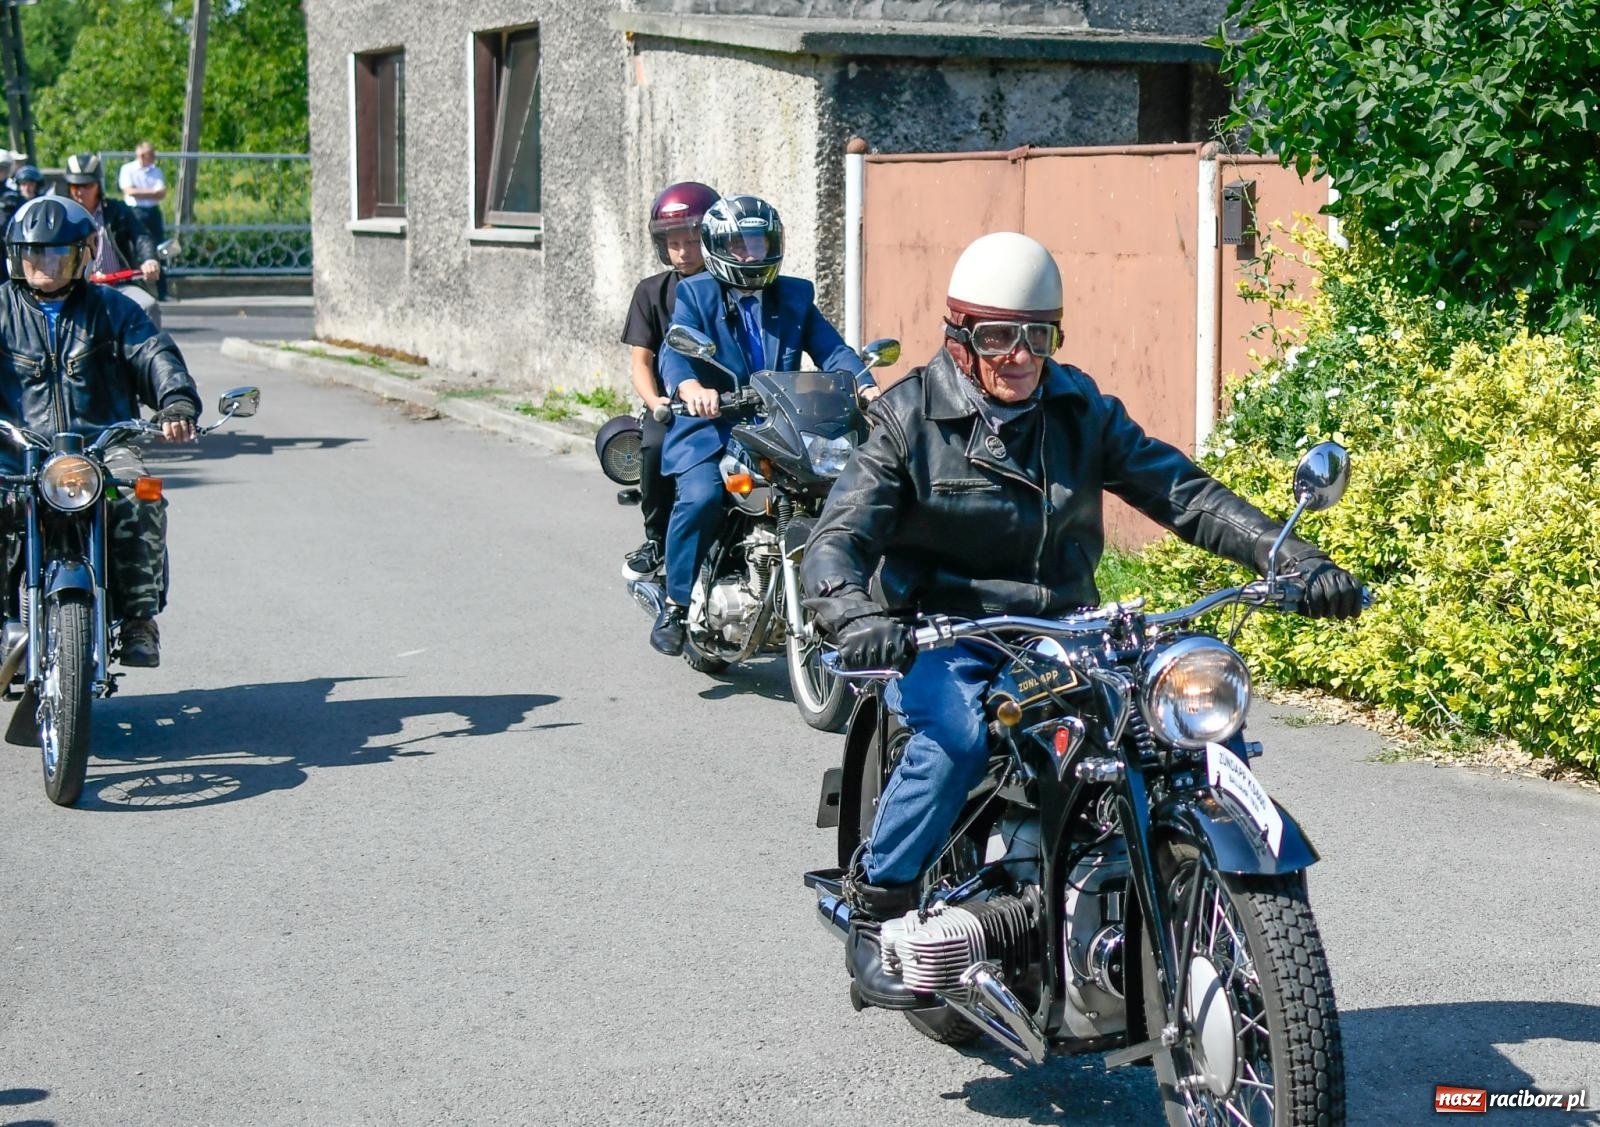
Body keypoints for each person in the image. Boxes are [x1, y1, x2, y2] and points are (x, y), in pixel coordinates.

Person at [800, 231, 1364, 1010]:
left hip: (1068, 627)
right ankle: (881, 899)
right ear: (960, 337)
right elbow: (838, 538)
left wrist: (1291, 558)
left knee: (1184, 718)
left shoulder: (1081, 409)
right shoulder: (907, 420)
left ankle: (1211, 902)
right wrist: (854, 610)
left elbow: (1184, 494)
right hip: (945, 630)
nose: (1021, 354)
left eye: (1038, 334)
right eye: (999, 335)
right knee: (958, 736)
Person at [651, 194, 874, 656]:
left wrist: (868, 387)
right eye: (740, 245)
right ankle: (674, 603)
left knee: (843, 490)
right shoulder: (695, 293)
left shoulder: (794, 295)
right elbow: (674, 353)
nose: (751, 254)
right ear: (718, 247)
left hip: (779, 423)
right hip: (712, 426)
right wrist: (691, 387)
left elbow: (832, 351)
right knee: (702, 496)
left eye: (759, 242)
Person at [0, 196, 200, 667]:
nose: (45, 265)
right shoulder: (2, 310)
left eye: (58, 254)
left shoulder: (114, 309)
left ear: (83, 255)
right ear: (17, 255)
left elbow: (154, 353)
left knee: (143, 495)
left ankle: (138, 619)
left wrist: (176, 399)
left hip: (101, 447)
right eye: (35, 253)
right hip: (14, 449)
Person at [618, 180, 719, 582]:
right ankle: (657, 538)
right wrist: (656, 403)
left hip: (729, 400)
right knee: (655, 447)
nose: (683, 252)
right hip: (674, 406)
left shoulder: (731, 287)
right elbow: (641, 361)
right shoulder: (651, 292)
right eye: (674, 243)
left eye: (692, 241)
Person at [62, 152, 163, 325]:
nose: (80, 191)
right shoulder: (62, 215)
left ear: (98, 186)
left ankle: (150, 352)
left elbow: (141, 235)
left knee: (149, 305)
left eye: (87, 185)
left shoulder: (118, 211)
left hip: (120, 284)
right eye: (75, 186)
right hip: (78, 288)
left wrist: (149, 259)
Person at [117, 142, 168, 300]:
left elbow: (161, 193)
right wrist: (151, 192)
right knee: (137, 250)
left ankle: (161, 292)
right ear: (141, 155)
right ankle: (139, 290)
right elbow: (129, 191)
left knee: (158, 250)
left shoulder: (156, 171)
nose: (153, 157)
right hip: (135, 212)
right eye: (150, 154)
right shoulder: (128, 169)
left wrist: (143, 192)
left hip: (152, 212)